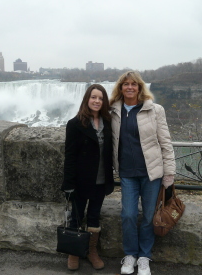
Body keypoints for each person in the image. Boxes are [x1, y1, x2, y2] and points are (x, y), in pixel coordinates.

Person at [110, 71, 175, 275]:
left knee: (148, 216)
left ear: (140, 87)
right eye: (125, 84)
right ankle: (130, 255)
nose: (130, 87)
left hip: (151, 173)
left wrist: (169, 173)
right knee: (128, 214)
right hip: (127, 172)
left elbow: (165, 141)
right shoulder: (113, 111)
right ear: (120, 88)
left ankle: (144, 257)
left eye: (134, 84)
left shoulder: (154, 110)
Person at [61, 84, 114, 271]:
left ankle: (92, 252)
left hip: (101, 180)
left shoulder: (108, 122)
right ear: (87, 99)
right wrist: (68, 184)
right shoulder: (75, 124)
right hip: (80, 181)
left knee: (94, 217)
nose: (97, 101)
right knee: (76, 216)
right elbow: (70, 156)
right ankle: (74, 252)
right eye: (94, 97)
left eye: (100, 98)